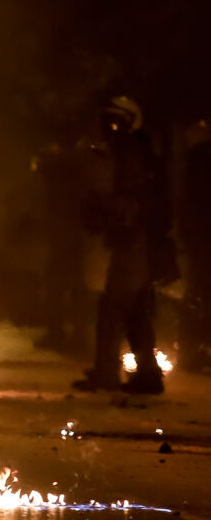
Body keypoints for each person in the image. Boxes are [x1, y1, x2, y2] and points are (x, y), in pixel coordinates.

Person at [73, 95, 177, 394]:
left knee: (113, 307)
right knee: (136, 310)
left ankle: (107, 373)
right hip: (139, 239)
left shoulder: (132, 153)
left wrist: (103, 209)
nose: (111, 127)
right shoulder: (135, 151)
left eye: (116, 121)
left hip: (135, 239)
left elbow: (130, 201)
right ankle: (148, 375)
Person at [32, 136, 88, 352]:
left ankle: (59, 334)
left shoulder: (56, 175)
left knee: (59, 286)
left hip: (63, 235)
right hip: (70, 234)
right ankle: (75, 335)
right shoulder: (73, 174)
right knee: (72, 287)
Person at [179, 118, 211, 371]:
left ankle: (195, 352)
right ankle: (196, 351)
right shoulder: (197, 160)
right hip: (200, 237)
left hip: (201, 238)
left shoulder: (198, 161)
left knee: (199, 293)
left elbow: (193, 202)